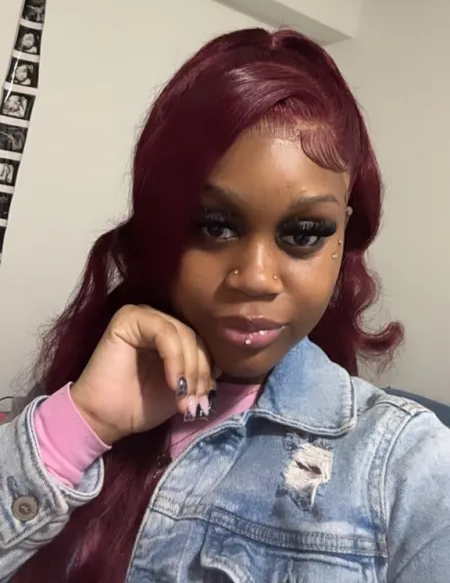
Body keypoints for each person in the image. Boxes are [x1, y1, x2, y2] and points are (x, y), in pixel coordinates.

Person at [1, 28, 449, 583]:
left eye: (304, 233)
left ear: (342, 236)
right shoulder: (84, 393)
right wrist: (81, 424)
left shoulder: (407, 468)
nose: (256, 278)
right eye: (214, 225)